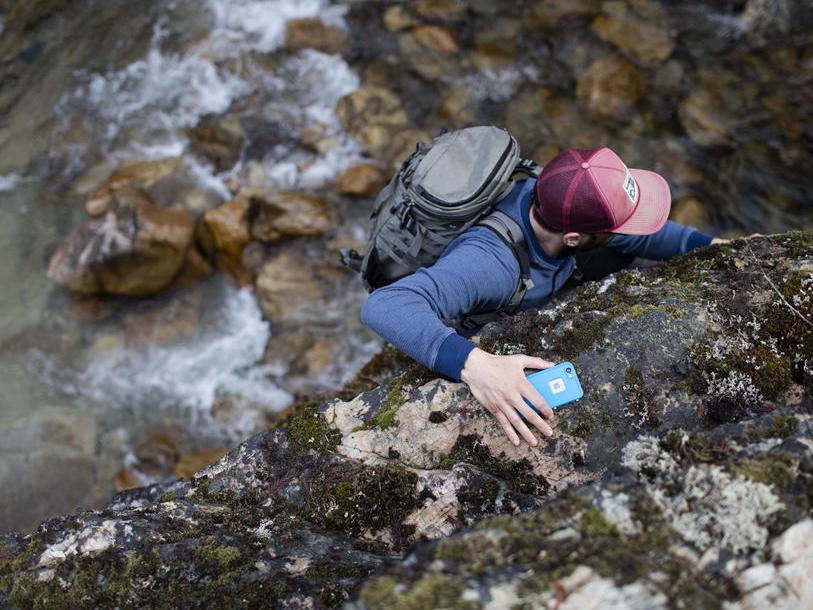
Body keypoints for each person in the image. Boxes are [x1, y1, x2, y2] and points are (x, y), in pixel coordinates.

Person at [360, 147, 756, 448]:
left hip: (553, 272)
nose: (632, 230)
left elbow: (643, 233)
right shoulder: (491, 263)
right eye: (620, 226)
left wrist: (711, 246)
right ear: (573, 239)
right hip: (489, 310)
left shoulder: (561, 193)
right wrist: (474, 365)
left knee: (620, 248)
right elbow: (385, 305)